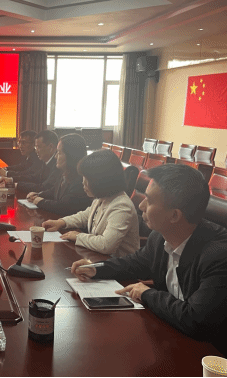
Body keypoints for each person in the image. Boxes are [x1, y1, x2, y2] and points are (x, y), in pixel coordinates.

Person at [71, 164, 227, 355]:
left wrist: (147, 294)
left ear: (174, 215)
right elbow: (136, 263)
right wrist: (96, 268)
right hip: (173, 339)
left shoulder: (218, 256)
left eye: (149, 200)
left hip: (211, 355)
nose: (141, 205)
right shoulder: (160, 237)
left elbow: (196, 320)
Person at [42, 149, 139, 257]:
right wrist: (62, 222)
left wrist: (78, 237)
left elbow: (106, 245)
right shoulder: (103, 197)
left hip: (117, 264)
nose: (83, 182)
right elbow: (85, 216)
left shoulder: (122, 207)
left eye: (87, 178)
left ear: (102, 179)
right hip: (99, 259)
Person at [26, 133, 91, 216]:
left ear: (70, 156)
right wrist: (38, 194)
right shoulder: (65, 173)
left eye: (59, 153)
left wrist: (40, 201)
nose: (55, 156)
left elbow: (64, 206)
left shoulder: (81, 179)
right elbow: (54, 190)